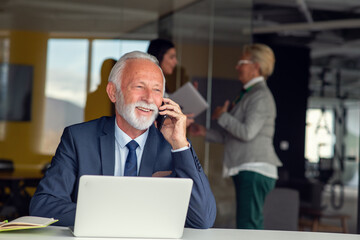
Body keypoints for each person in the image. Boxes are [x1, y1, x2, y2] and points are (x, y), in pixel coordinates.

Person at [29, 51, 216, 229]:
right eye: (139, 86)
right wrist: (116, 215)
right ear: (113, 92)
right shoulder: (79, 139)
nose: (149, 98)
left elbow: (202, 219)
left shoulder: (172, 145)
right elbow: (44, 205)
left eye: (157, 90)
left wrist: (180, 145)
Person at [189, 43, 282, 229]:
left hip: (254, 168)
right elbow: (233, 136)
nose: (237, 66)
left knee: (248, 224)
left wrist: (222, 116)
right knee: (248, 223)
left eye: (242, 62)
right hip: (248, 167)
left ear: (256, 66)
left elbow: (247, 133)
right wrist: (205, 132)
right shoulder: (249, 94)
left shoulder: (260, 96)